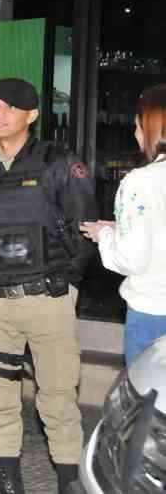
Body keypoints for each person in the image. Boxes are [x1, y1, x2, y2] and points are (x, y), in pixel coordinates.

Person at [0, 78, 98, 494]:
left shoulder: (58, 163)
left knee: (57, 401)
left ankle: (68, 482)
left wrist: (64, 280)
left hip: (47, 301)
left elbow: (84, 228)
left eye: (9, 107)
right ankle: (9, 484)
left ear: (32, 116)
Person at [80, 84, 166, 363]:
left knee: (149, 403)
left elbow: (131, 260)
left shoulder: (140, 182)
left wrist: (105, 234)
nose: (135, 134)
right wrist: (121, 229)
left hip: (153, 314)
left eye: (139, 127)